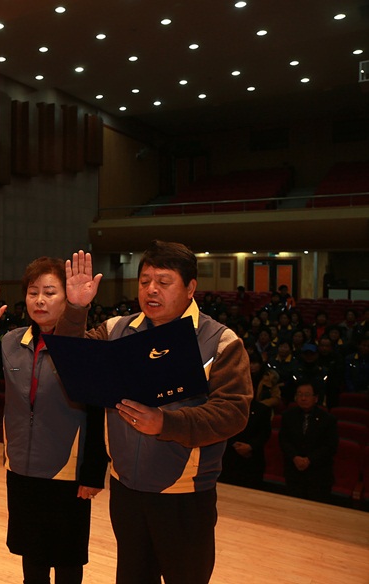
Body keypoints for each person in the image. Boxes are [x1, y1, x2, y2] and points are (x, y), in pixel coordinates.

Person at [56, 241, 251, 584]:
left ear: (190, 287)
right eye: (145, 281)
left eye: (164, 281)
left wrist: (167, 422)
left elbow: (233, 412)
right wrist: (74, 308)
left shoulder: (221, 341)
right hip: (126, 489)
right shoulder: (117, 329)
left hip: (185, 495)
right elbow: (71, 366)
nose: (151, 290)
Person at [0, 257, 108, 584]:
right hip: (21, 467)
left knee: (68, 560)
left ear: (67, 296)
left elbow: (97, 410)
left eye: (49, 292)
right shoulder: (12, 342)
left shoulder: (86, 347)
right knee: (32, 557)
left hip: (67, 471)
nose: (40, 300)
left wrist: (93, 471)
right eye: (33, 293)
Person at [279, 382, 338, 503]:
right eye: (299, 394)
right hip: (293, 471)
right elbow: (283, 440)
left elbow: (330, 446)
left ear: (315, 398)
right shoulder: (288, 416)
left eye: (307, 395)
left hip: (318, 473)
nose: (303, 398)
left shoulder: (328, 419)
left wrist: (309, 460)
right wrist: (295, 457)